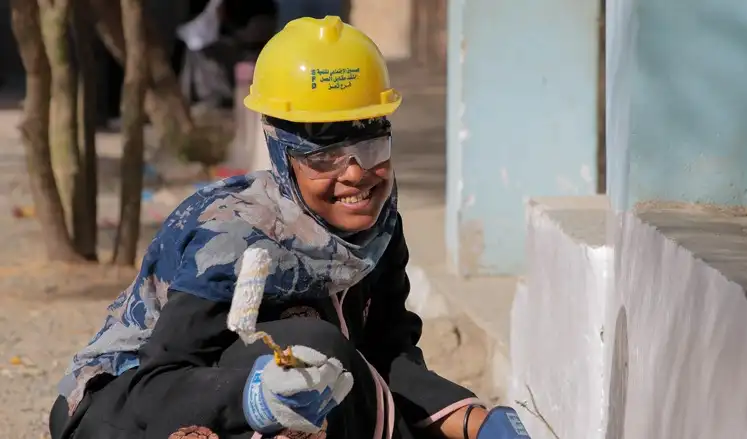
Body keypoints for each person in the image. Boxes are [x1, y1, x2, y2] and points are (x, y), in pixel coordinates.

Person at [48, 16, 532, 439]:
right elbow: (155, 387)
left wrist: (474, 420)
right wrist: (252, 396)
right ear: (283, 156)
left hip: (264, 406)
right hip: (125, 412)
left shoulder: (377, 231)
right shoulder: (233, 240)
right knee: (314, 350)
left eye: (371, 150)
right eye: (323, 157)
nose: (356, 175)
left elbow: (386, 355)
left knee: (333, 378)